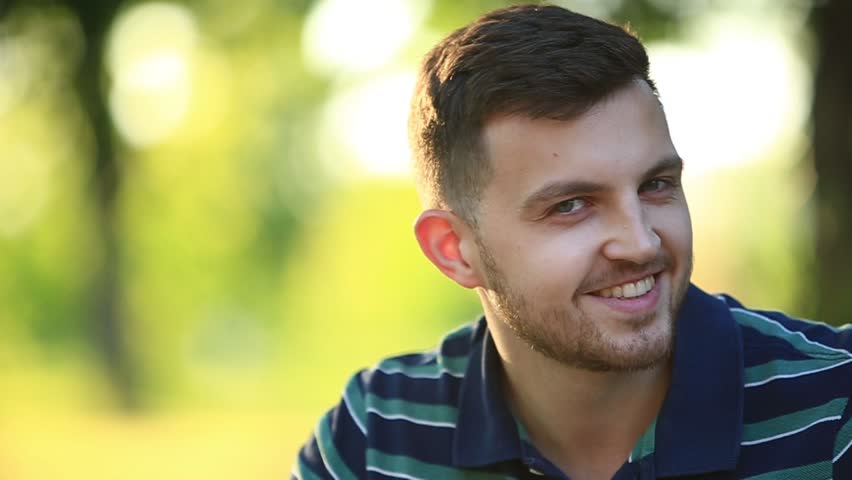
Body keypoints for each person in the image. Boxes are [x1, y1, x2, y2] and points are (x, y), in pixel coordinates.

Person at [292, 4, 852, 479]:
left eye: (655, 185)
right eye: (571, 206)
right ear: (453, 249)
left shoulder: (833, 409)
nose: (639, 242)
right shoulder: (378, 440)